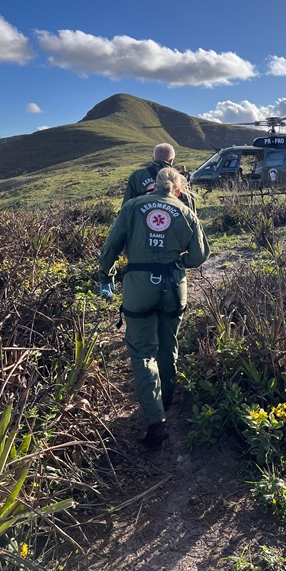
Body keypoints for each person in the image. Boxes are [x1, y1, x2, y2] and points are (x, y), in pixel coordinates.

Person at [99, 167, 210, 449]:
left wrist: (105, 275)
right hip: (174, 286)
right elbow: (198, 256)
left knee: (142, 351)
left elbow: (111, 245)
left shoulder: (133, 205)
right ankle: (166, 403)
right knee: (168, 345)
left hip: (139, 287)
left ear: (153, 186)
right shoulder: (186, 211)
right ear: (178, 188)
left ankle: (155, 417)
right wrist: (174, 263)